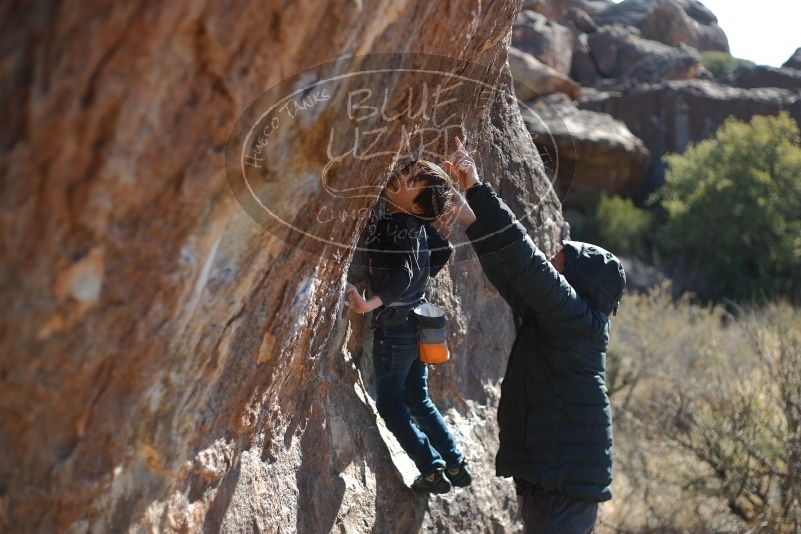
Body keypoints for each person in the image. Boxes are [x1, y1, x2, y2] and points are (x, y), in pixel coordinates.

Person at [444, 138, 625, 533]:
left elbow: (526, 264)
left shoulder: (575, 319)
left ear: (579, 279)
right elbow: (512, 278)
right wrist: (472, 222)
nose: (551, 264)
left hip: (566, 483)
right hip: (555, 477)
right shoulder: (563, 320)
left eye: (559, 264)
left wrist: (476, 186)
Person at [346, 159, 473, 494]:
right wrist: (420, 279)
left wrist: (369, 303)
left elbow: (402, 275)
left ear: (417, 205)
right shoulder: (416, 225)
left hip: (397, 329)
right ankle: (455, 462)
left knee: (390, 405)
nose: (401, 175)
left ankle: (431, 467)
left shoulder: (394, 226)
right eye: (408, 171)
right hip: (419, 321)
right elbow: (444, 249)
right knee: (418, 396)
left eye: (411, 179)